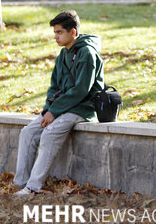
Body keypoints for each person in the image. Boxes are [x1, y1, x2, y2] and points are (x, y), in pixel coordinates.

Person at [13, 10, 104, 196]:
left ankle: (32, 188)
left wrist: (54, 112)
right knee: (28, 132)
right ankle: (19, 183)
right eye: (55, 32)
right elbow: (54, 87)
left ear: (73, 32)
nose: (56, 36)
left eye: (59, 32)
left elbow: (81, 90)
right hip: (62, 107)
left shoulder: (87, 54)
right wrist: (48, 109)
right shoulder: (63, 55)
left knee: (49, 133)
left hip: (83, 108)